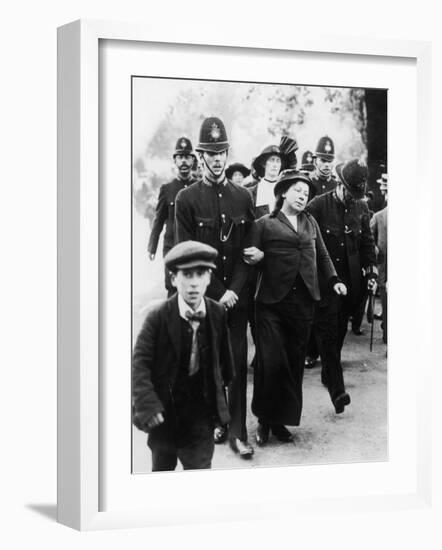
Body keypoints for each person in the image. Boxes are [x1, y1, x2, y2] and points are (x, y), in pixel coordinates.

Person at [174, 117, 258, 459]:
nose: (218, 159)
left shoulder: (243, 197)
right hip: (205, 298)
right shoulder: (186, 199)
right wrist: (219, 291)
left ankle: (238, 432)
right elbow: (188, 255)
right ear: (200, 155)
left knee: (236, 363)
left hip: (235, 300)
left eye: (222, 151)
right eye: (210, 152)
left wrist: (234, 290)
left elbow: (248, 252)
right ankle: (216, 422)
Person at [245, 170, 346, 445]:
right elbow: (250, 259)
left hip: (302, 303)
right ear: (283, 192)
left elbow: (322, 254)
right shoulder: (264, 223)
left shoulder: (310, 222)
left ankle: (280, 422)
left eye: (306, 192)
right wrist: (260, 258)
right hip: (270, 304)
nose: (303, 196)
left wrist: (334, 279)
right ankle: (264, 421)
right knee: (271, 363)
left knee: (292, 364)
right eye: (298, 190)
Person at [132, 241, 234, 471]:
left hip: (199, 417)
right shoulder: (157, 317)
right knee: (162, 471)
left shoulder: (217, 313)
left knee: (199, 474)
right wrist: (148, 405)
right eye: (186, 275)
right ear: (173, 278)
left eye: (200, 274)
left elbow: (225, 362)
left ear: (209, 278)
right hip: (163, 414)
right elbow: (139, 364)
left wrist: (217, 402)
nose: (194, 283)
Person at [306, 159, 378, 410]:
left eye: (356, 193)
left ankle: (328, 371)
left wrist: (371, 273)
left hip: (351, 287)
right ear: (340, 184)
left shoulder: (361, 208)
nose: (353, 197)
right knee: (327, 333)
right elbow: (308, 245)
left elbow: (367, 243)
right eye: (350, 191)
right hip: (325, 284)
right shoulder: (316, 206)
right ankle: (338, 392)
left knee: (337, 334)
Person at [304, 136, 338, 367]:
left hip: (332, 252)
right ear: (315, 160)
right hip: (310, 250)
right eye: (322, 159)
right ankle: (310, 351)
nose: (326, 164)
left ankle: (328, 353)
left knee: (330, 307)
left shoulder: (337, 185)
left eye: (330, 160)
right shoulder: (306, 184)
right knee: (311, 303)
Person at [147, 137, 197, 295]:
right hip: (172, 247)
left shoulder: (199, 187)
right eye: (180, 157)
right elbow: (158, 220)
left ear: (193, 161)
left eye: (187, 157)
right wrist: (152, 246)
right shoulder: (167, 189)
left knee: (195, 288)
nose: (184, 161)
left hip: (194, 246)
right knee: (173, 288)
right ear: (175, 160)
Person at [370, 173, 388, 344]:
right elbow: (368, 239)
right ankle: (387, 333)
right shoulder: (379, 216)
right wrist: (373, 248)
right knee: (385, 300)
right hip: (384, 267)